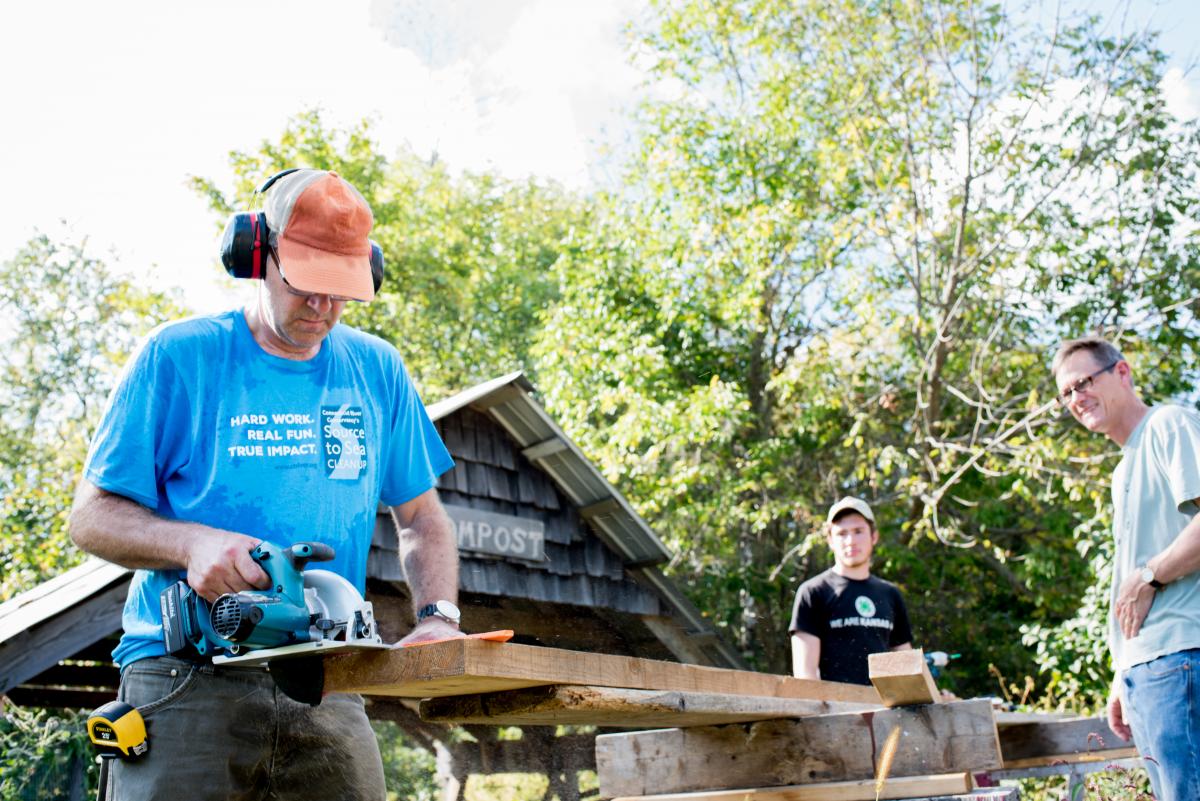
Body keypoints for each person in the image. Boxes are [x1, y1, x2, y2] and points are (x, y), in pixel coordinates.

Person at [68, 168, 462, 801]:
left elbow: (422, 519)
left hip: (326, 678)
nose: (322, 308)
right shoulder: (180, 356)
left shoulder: (377, 369)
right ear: (256, 253)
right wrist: (192, 544)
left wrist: (438, 617)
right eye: (306, 285)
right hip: (185, 679)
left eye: (341, 292)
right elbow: (90, 517)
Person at [1052, 336, 1200, 801]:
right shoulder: (1122, 469)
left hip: (1183, 659)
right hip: (1150, 670)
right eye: (1067, 393)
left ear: (1122, 372)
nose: (1077, 398)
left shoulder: (1169, 423)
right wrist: (1123, 672)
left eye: (1083, 382)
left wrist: (1151, 574)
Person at [789, 497, 913, 685]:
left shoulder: (890, 594)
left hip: (885, 712)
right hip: (833, 711)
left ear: (874, 536)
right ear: (830, 540)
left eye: (858, 531)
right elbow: (805, 677)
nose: (850, 541)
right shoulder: (813, 592)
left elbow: (907, 669)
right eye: (842, 533)